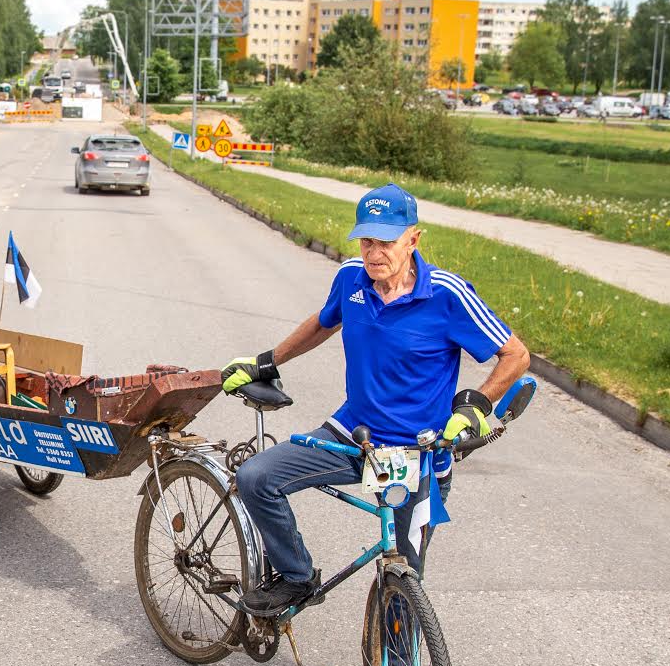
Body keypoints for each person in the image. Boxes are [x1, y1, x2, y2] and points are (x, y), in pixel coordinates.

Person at [221, 184, 530, 618]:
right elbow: (324, 322)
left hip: (417, 453)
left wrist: (478, 403)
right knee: (256, 478)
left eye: (387, 241)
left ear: (413, 239)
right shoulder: (351, 277)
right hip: (354, 434)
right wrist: (267, 361)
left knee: (404, 581)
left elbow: (516, 355)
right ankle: (296, 577)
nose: (374, 252)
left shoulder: (447, 294)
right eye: (367, 241)